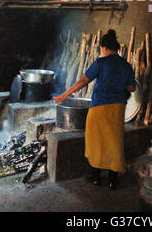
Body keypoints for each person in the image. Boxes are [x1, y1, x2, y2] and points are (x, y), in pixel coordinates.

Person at [53, 29, 136, 189]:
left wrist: (64, 95)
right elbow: (132, 88)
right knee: (114, 142)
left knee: (95, 141)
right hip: (117, 109)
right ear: (116, 48)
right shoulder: (125, 65)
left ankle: (95, 177)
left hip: (98, 107)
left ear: (104, 48)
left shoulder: (101, 62)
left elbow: (84, 81)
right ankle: (113, 180)